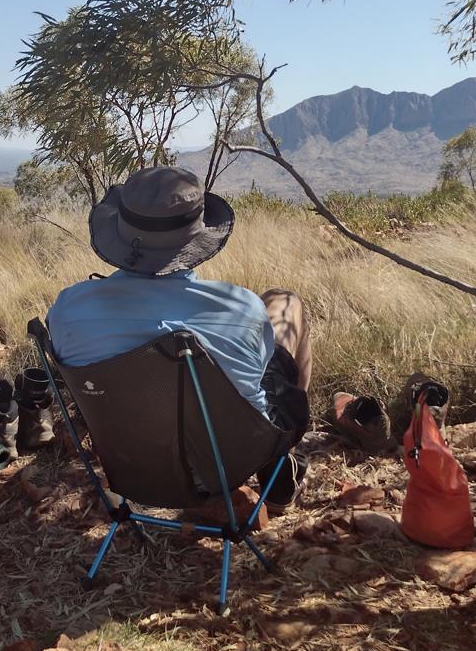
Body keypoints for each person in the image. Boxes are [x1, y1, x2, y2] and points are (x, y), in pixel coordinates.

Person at [46, 166, 312, 513]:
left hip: (134, 464)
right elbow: (262, 377)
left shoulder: (69, 309)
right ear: (197, 237)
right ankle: (278, 473)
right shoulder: (243, 308)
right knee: (285, 303)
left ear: (120, 234)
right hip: (231, 461)